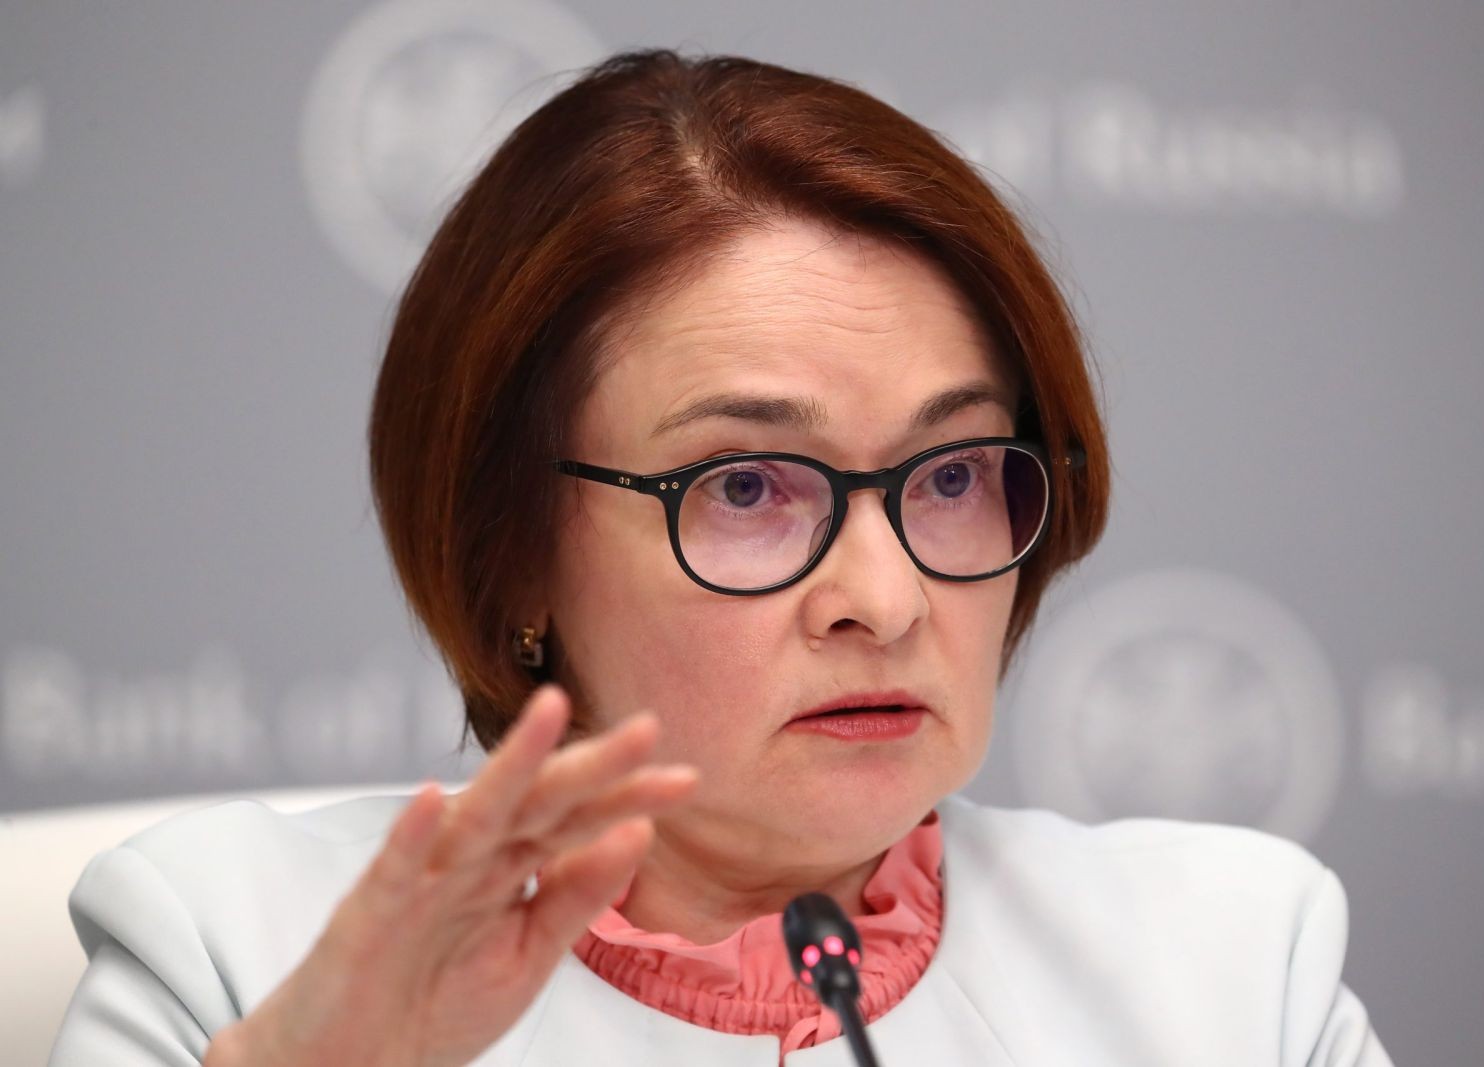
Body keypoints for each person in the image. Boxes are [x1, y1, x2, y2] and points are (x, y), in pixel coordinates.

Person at [48, 48, 1394, 1066]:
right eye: (746, 486)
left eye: (951, 476)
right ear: (513, 556)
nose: (884, 601)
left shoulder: (1229, 970)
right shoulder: (237, 953)